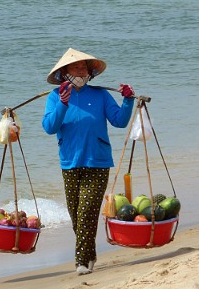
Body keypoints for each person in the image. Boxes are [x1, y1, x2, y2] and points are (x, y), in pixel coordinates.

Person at [42, 48, 136, 275]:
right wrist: (63, 104)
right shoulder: (55, 97)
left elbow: (120, 122)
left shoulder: (101, 95)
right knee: (77, 216)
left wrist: (128, 101)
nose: (80, 71)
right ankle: (90, 253)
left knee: (86, 213)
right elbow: (49, 127)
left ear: (90, 72)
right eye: (75, 67)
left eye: (84, 67)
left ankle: (81, 262)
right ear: (64, 72)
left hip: (98, 161)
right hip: (70, 163)